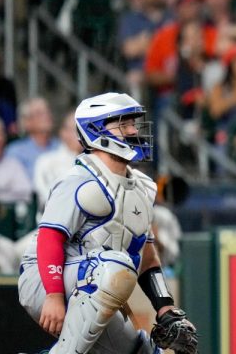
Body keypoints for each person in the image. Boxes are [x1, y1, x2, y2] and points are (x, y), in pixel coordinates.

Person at [17, 93, 197, 353]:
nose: (134, 130)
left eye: (133, 123)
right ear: (96, 131)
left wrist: (165, 307)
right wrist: (54, 296)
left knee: (143, 351)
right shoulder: (79, 180)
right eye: (123, 125)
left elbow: (147, 259)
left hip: (95, 284)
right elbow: (49, 238)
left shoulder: (142, 187)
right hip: (46, 280)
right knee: (115, 265)